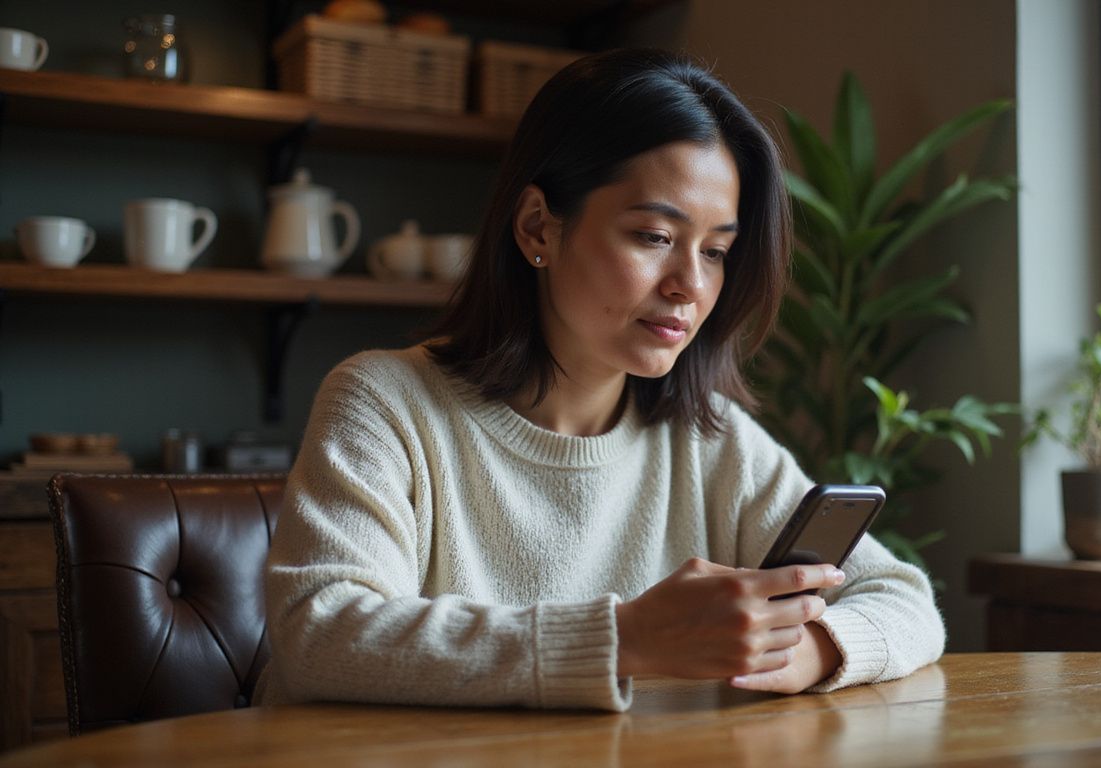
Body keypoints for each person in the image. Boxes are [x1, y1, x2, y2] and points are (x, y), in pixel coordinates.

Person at [256, 48, 944, 712]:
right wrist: (627, 640)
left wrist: (808, 649)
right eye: (653, 236)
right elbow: (321, 633)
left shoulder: (706, 438)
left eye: (716, 251)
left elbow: (904, 598)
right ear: (538, 229)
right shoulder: (384, 403)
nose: (690, 285)